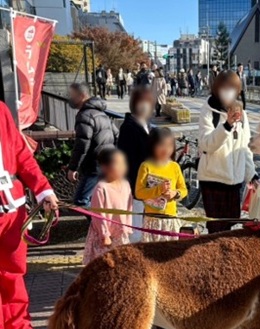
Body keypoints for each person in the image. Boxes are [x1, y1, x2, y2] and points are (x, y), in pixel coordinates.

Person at [0, 101, 59, 329]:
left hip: (11, 206)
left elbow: (22, 155)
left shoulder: (0, 110)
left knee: (14, 271)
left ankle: (18, 327)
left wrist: (43, 189)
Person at [198, 70, 258, 233]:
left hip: (234, 182)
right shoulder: (209, 111)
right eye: (223, 88)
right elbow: (205, 144)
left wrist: (252, 175)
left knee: (231, 224)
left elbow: (244, 147)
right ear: (216, 89)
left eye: (231, 88)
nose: (227, 93)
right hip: (212, 179)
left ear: (238, 90)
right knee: (216, 227)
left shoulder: (242, 114)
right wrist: (226, 126)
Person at [67, 82, 119, 208]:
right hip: (108, 162)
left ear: (82, 95)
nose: (69, 98)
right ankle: (101, 225)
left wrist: (73, 167)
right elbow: (116, 135)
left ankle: (101, 225)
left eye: (72, 95)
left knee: (81, 200)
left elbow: (82, 144)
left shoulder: (85, 115)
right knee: (100, 199)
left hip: (94, 165)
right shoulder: (102, 114)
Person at [135, 128, 187, 241]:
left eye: (169, 146)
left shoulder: (174, 167)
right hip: (152, 220)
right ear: (152, 146)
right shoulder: (146, 166)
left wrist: (175, 194)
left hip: (170, 218)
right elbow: (139, 193)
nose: (166, 150)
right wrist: (159, 189)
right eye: (161, 145)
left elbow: (183, 190)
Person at [83, 147, 132, 265]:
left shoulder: (125, 184)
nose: (121, 167)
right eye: (117, 163)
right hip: (105, 236)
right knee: (104, 264)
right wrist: (104, 235)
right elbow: (98, 215)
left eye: (123, 163)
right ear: (105, 167)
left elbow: (129, 207)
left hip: (121, 233)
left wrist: (128, 227)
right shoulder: (101, 188)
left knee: (121, 262)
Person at [117, 87, 154, 242]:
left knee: (146, 224)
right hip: (135, 185)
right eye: (142, 102)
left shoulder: (147, 125)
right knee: (136, 228)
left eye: (148, 102)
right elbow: (126, 160)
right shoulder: (128, 127)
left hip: (149, 185)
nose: (145, 106)